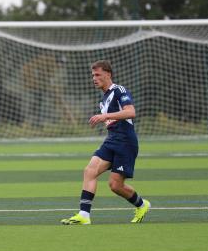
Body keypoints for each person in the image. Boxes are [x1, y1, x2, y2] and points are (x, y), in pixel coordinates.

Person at [61, 60, 150, 225]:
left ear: (108, 74)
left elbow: (131, 112)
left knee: (115, 185)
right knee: (89, 171)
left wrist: (105, 116)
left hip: (125, 142)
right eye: (93, 75)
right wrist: (106, 117)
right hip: (111, 140)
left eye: (97, 75)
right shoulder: (104, 99)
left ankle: (142, 204)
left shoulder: (119, 90)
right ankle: (84, 215)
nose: (94, 78)